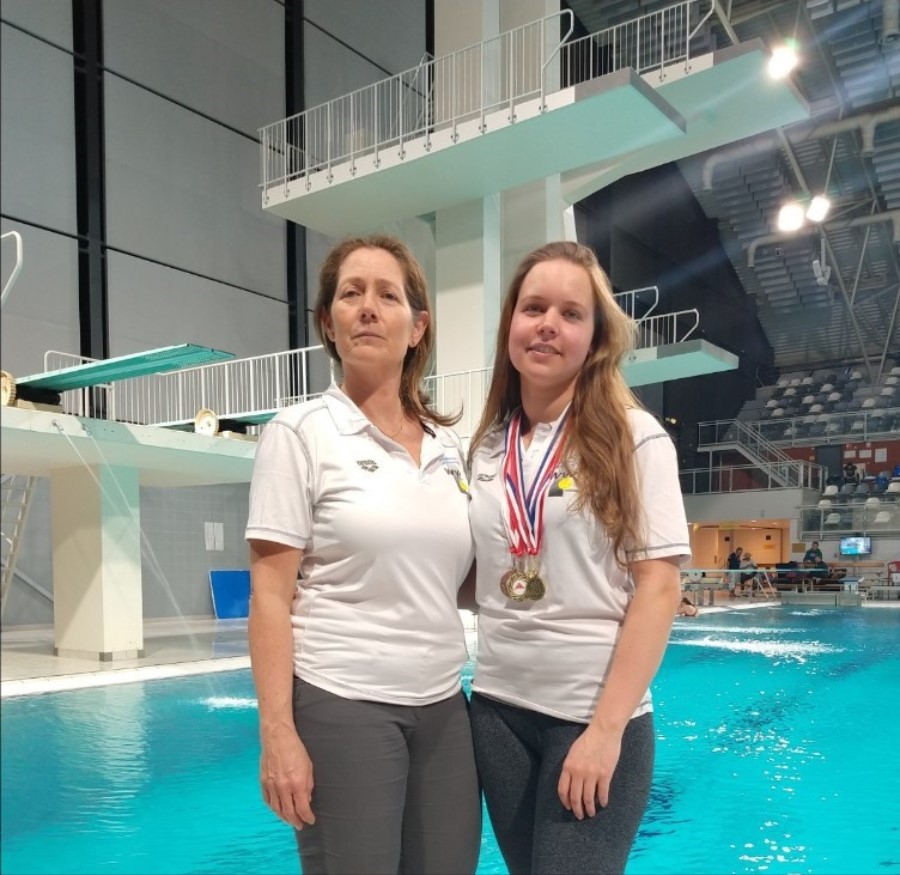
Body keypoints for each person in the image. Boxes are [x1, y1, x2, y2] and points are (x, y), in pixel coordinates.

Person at [245, 234, 481, 875]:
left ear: (418, 326)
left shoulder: (449, 446)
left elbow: (460, 581)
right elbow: (270, 594)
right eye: (351, 294)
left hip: (441, 705)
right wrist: (277, 733)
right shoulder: (299, 434)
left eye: (387, 295)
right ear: (329, 322)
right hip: (342, 699)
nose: (368, 307)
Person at [466, 241, 691, 875]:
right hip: (498, 712)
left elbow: (658, 588)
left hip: (588, 717)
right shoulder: (486, 448)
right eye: (533, 307)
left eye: (570, 313)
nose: (547, 325)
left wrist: (605, 732)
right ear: (511, 322)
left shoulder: (634, 437)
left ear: (595, 338)